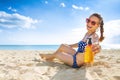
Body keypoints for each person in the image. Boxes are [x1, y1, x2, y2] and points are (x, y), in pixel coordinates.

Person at [40, 13, 104, 68]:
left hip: (77, 61)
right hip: (76, 54)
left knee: (58, 54)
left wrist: (97, 48)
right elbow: (79, 43)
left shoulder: (94, 36)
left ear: (97, 26)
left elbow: (95, 44)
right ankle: (51, 56)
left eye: (93, 23)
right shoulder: (87, 33)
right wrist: (68, 46)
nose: (89, 23)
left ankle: (49, 56)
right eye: (88, 20)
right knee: (62, 45)